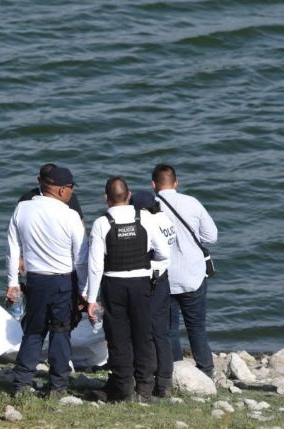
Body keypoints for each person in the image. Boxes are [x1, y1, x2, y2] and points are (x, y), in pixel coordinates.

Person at [86, 177, 170, 402]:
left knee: (118, 338)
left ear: (106, 198)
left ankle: (124, 389)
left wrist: (91, 300)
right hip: (141, 284)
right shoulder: (145, 218)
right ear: (129, 195)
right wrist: (146, 266)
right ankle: (144, 389)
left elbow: (95, 266)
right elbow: (164, 253)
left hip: (113, 285)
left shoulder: (102, 223)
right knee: (143, 335)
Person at [6, 166, 88, 398]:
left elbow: (12, 248)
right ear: (62, 190)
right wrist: (84, 290)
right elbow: (81, 259)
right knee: (60, 332)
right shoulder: (69, 215)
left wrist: (13, 281)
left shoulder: (22, 208)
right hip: (63, 282)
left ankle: (21, 384)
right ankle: (58, 386)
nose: (72, 193)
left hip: (35, 282)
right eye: (71, 188)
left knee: (33, 332)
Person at [151, 163, 217, 377]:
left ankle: (175, 369)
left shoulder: (149, 208)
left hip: (164, 277)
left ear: (154, 184)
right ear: (176, 182)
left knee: (169, 327)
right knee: (196, 326)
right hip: (193, 275)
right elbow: (211, 237)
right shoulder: (192, 203)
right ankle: (206, 369)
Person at [131, 190, 176, 398]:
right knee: (162, 331)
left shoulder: (146, 221)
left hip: (150, 277)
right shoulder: (165, 219)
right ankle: (165, 381)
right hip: (164, 276)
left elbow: (153, 249)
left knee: (146, 331)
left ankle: (147, 378)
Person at [18, 163, 84, 219]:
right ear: (39, 180)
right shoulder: (27, 199)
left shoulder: (70, 196)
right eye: (47, 181)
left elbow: (80, 221)